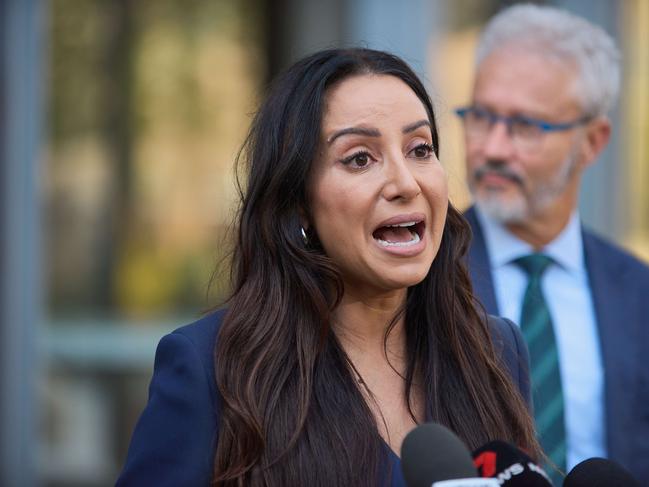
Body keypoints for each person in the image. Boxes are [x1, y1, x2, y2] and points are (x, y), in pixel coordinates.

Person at [116, 47, 540, 487]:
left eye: (420, 149)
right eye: (360, 158)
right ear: (298, 203)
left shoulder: (497, 352)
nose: (405, 183)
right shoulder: (210, 370)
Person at [456, 4, 649, 484]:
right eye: (481, 117)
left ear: (592, 141)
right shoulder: (418, 275)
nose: (494, 147)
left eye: (525, 126)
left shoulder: (638, 294)